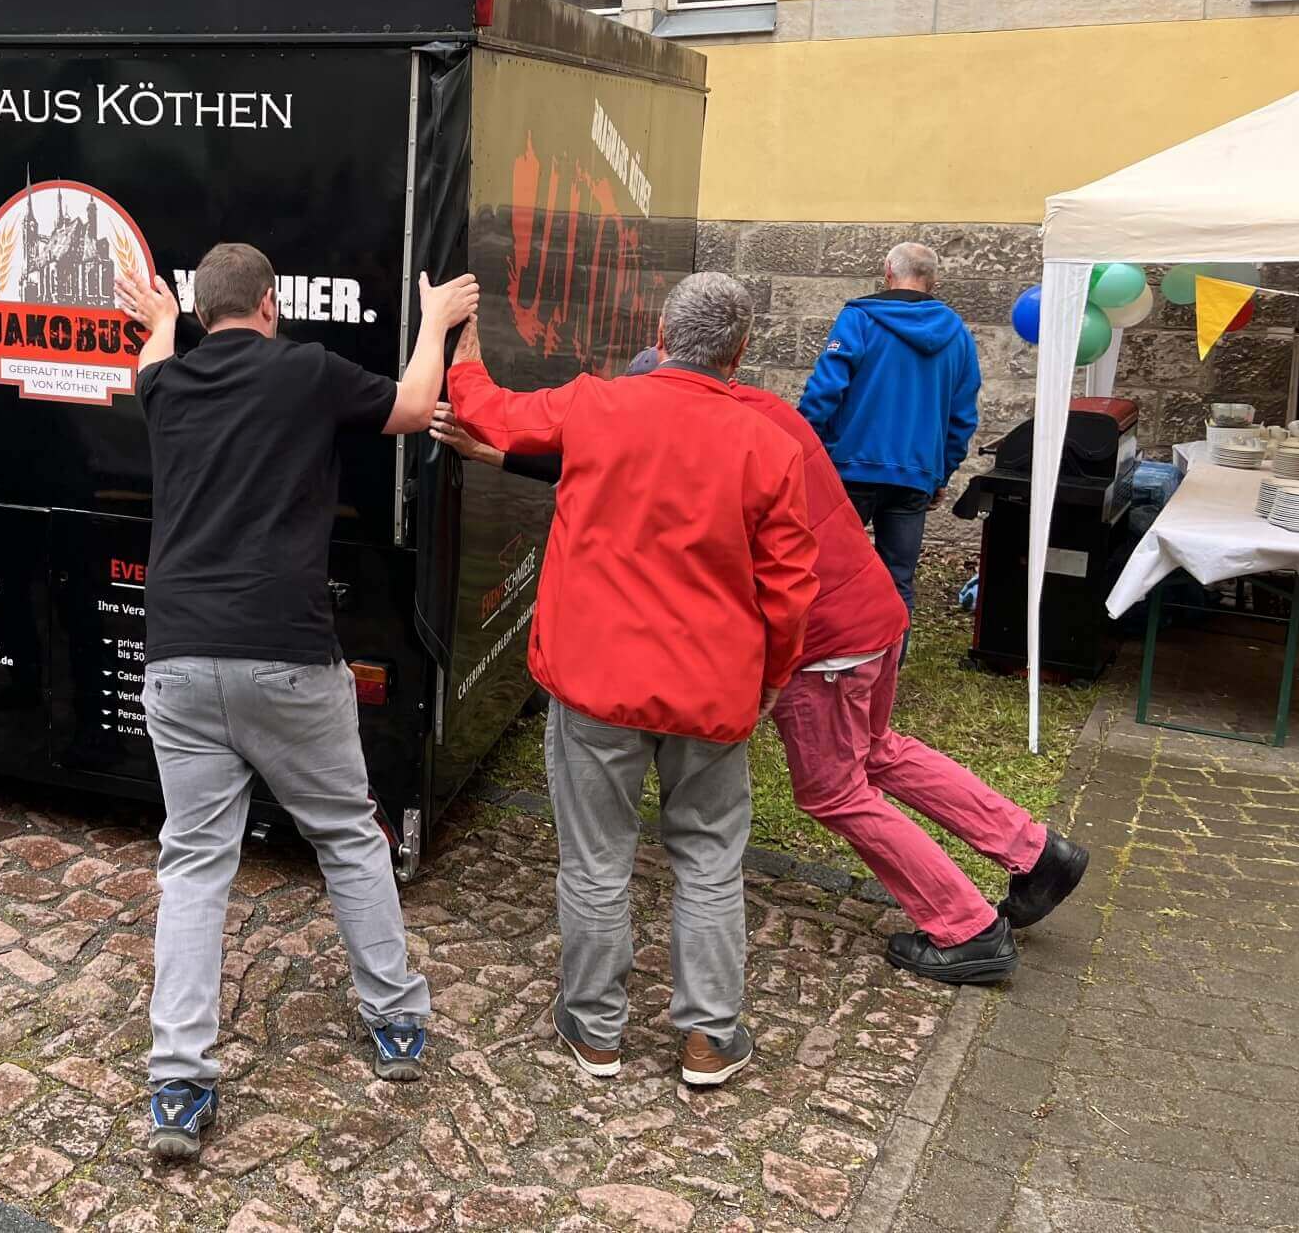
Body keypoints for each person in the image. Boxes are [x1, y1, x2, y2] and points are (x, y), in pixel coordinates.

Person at [439, 354, 1090, 986]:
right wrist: (498, 454)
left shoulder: (682, 438)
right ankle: (1035, 851)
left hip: (824, 645)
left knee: (834, 790)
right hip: (873, 613)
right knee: (879, 751)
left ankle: (966, 927)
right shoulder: (758, 413)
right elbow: (618, 470)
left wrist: (769, 673)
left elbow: (631, 483)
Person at [115, 244, 476, 1163]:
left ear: (203, 314)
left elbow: (153, 364)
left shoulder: (167, 386)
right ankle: (395, 1022)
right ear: (271, 304)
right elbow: (407, 407)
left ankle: (178, 1085)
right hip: (285, 655)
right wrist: (434, 325)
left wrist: (160, 328)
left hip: (179, 658)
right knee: (349, 836)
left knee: (195, 865)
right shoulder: (305, 370)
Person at [445, 272, 817, 1085]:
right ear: (741, 351)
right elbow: (789, 590)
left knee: (595, 858)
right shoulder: (771, 448)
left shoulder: (596, 405)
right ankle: (709, 1037)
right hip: (712, 693)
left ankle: (595, 1029)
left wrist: (463, 360)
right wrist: (772, 678)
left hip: (595, 685)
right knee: (711, 859)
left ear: (660, 329)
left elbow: (492, 412)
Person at [799, 241, 980, 621]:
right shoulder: (958, 335)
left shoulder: (859, 320)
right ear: (934, 280)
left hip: (849, 469)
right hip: (916, 475)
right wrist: (940, 472)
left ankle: (820, 670)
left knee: (824, 574)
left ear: (887, 271)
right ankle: (887, 673)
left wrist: (804, 449)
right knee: (898, 581)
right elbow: (962, 417)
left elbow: (825, 390)